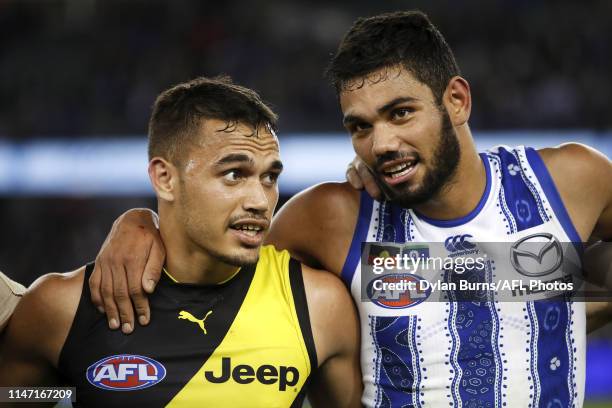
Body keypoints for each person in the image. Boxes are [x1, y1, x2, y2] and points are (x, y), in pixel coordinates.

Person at [91, 11, 612, 407]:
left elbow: (509, 282)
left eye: (400, 113)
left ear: (456, 100)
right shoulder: (333, 216)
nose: (380, 143)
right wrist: (140, 222)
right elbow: (208, 252)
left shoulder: (571, 180)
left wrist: (565, 307)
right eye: (360, 126)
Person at [0, 77, 361, 407]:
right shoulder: (59, 308)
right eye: (234, 174)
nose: (259, 200)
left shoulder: (319, 306)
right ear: (165, 178)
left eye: (269, 177)